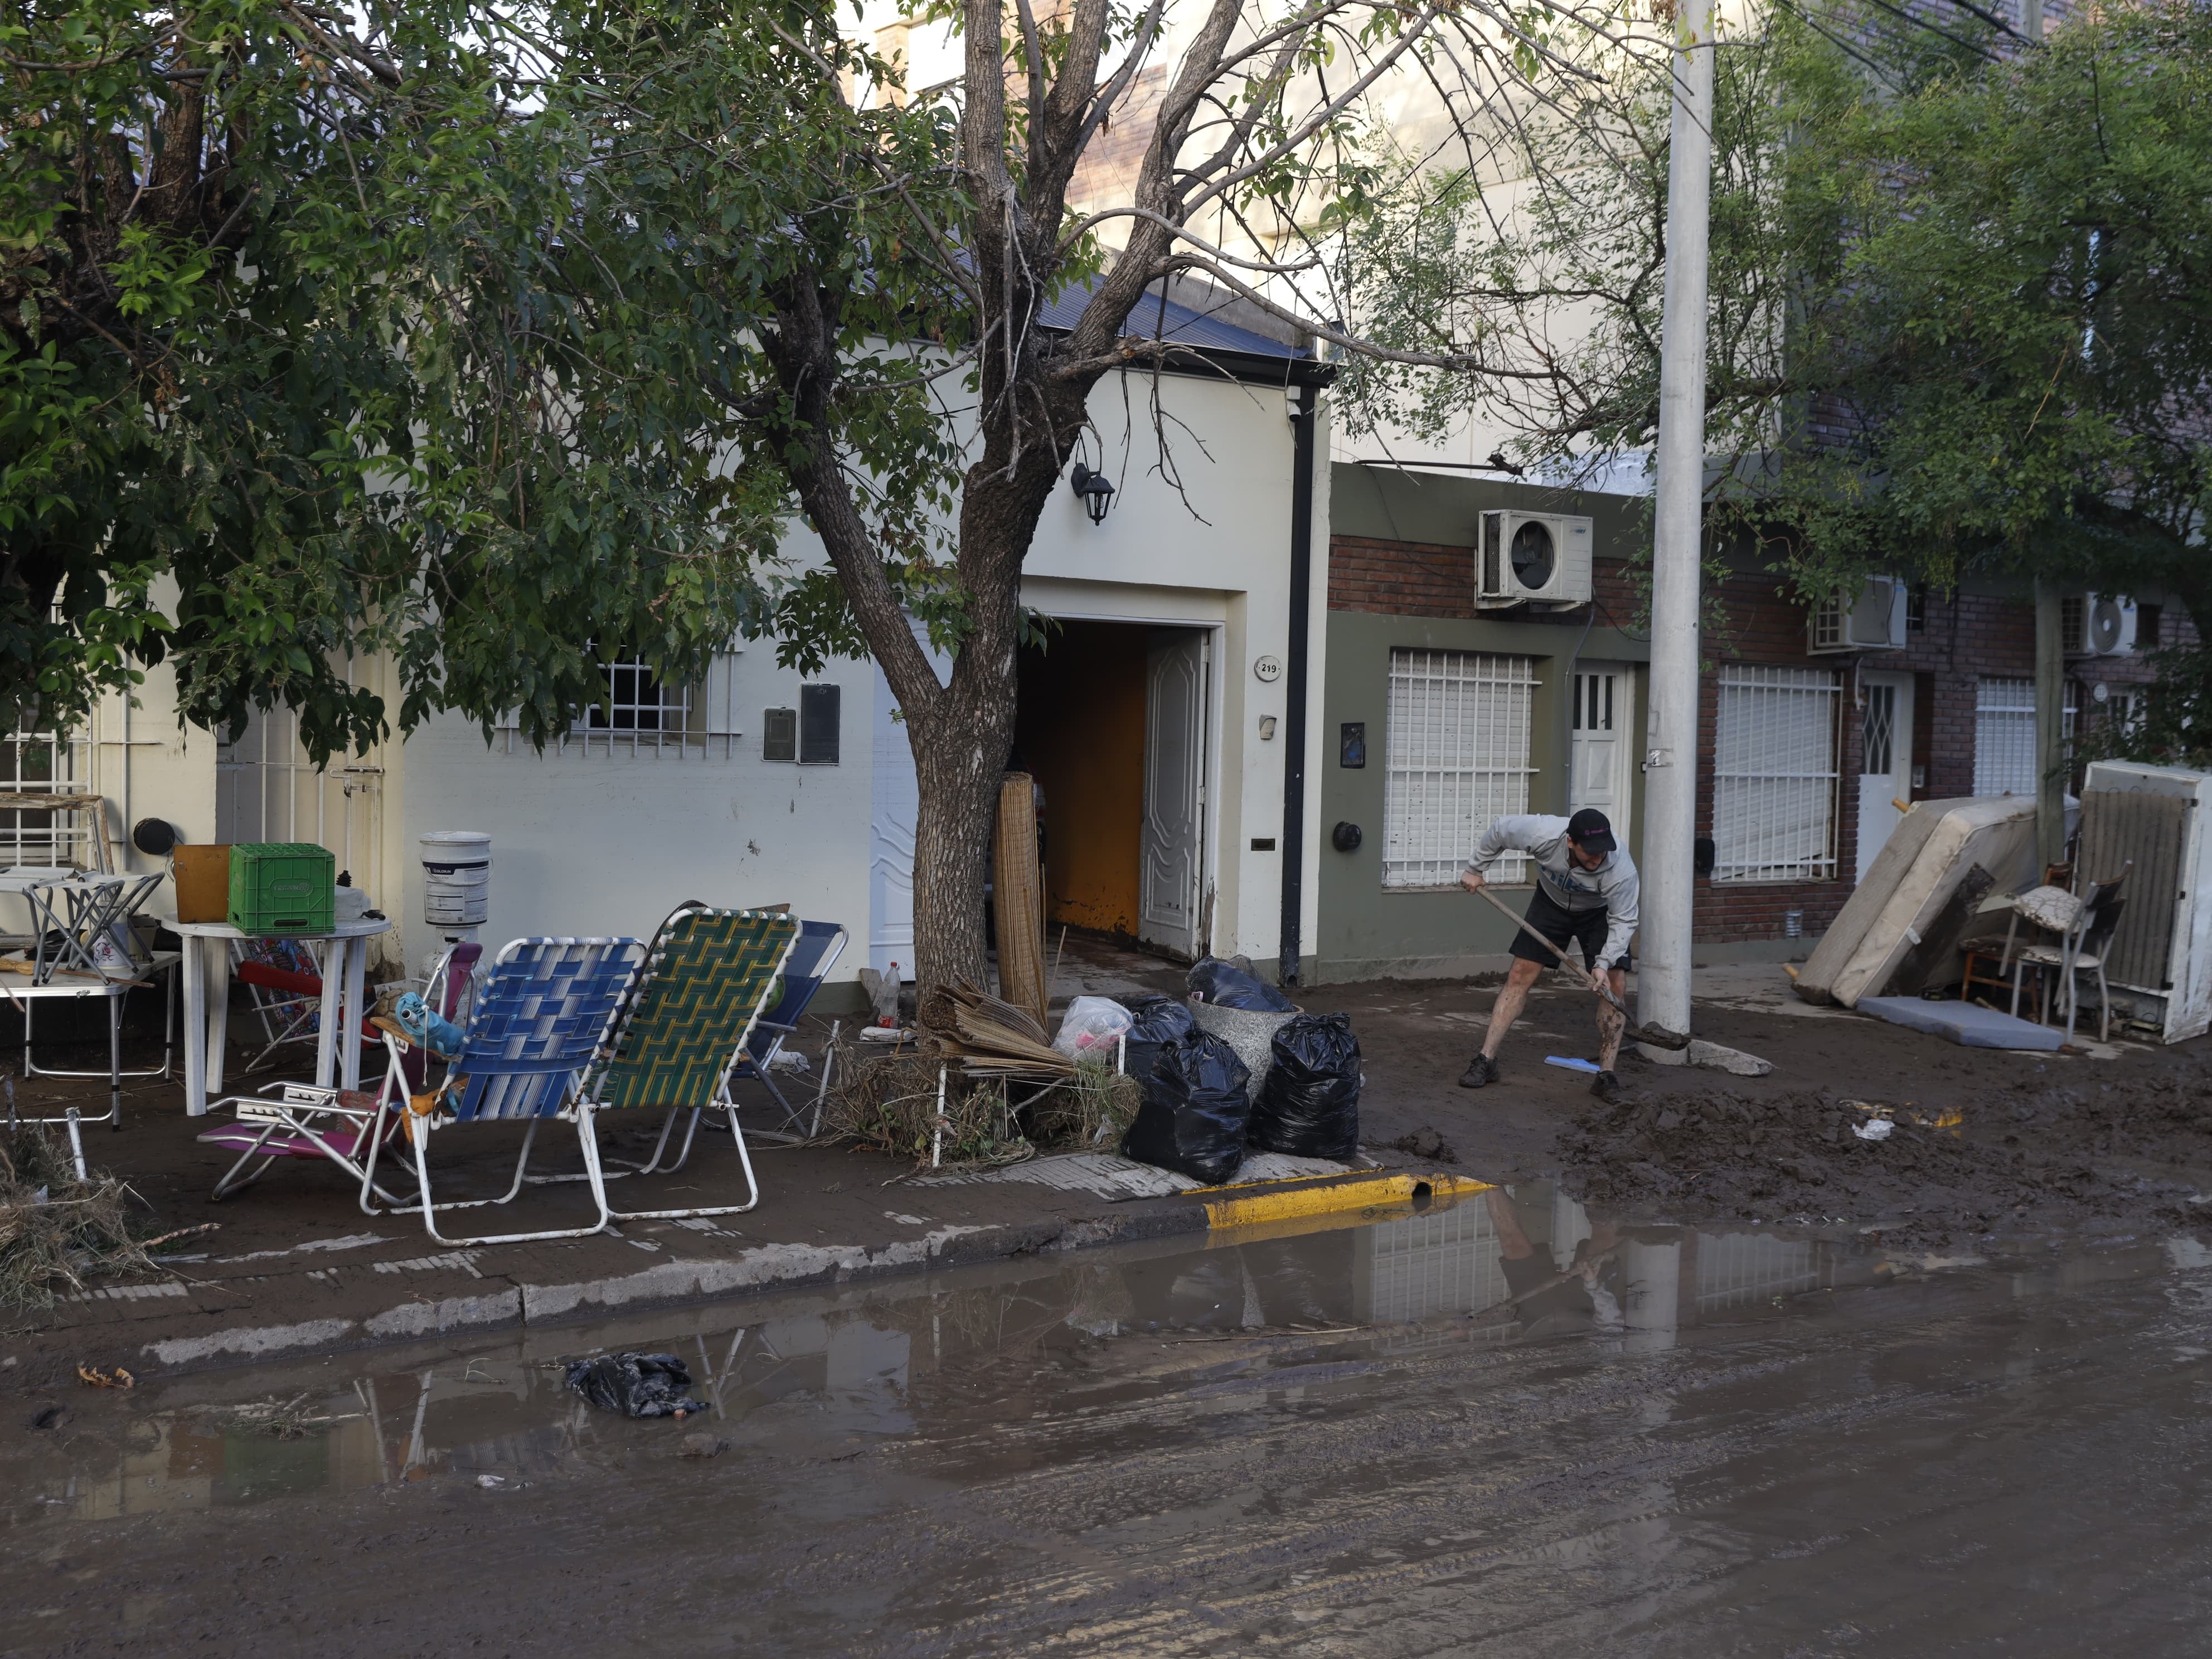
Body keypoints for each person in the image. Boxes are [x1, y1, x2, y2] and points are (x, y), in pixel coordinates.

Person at [1457, 807, 1639, 1100]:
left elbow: (1624, 920)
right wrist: (1476, 869)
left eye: (1602, 852)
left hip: (1598, 913)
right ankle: (1486, 1060)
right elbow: (1501, 830)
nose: (1598, 858)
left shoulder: (1620, 870)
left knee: (1614, 984)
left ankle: (1606, 1075)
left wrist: (1603, 963)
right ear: (1570, 842)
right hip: (1551, 903)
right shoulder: (1543, 833)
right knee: (1519, 975)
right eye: (1590, 852)